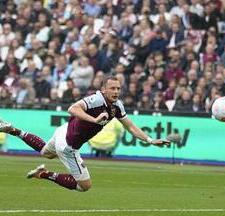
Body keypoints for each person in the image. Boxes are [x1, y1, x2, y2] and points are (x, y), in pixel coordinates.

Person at [0, 77, 170, 192]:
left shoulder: (117, 106)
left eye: (118, 88)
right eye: (112, 88)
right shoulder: (96, 99)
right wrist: (94, 120)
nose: (116, 91)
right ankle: (45, 174)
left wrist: (150, 140)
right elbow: (72, 109)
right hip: (68, 145)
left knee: (46, 152)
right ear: (103, 90)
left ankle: (14, 130)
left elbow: (130, 127)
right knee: (84, 186)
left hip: (63, 131)